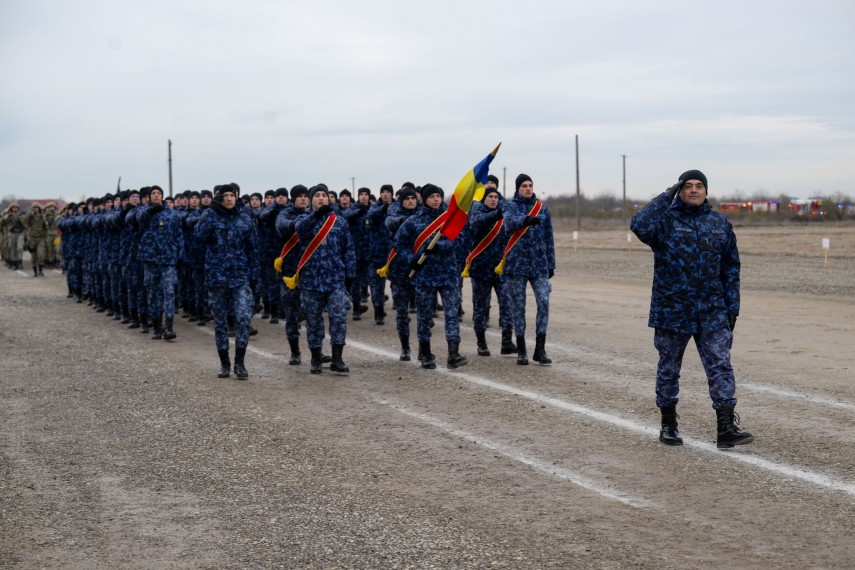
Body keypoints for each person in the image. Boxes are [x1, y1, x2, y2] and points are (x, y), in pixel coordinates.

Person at [631, 169, 754, 449]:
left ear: (706, 191)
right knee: (669, 369)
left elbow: (731, 267)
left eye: (700, 186)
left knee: (720, 366)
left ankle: (726, 428)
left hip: (712, 309)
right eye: (687, 186)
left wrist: (732, 306)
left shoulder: (719, 224)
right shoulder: (664, 223)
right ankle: (669, 425)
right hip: (672, 309)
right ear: (679, 191)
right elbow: (638, 224)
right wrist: (666, 195)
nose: (694, 190)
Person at [394, 183, 467, 370]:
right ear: (424, 199)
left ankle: (453, 353)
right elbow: (399, 244)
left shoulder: (451, 219)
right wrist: (411, 259)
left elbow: (462, 240)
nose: (436, 199)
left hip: (449, 274)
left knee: (452, 314)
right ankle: (425, 352)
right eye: (432, 196)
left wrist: (442, 246)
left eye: (438, 196)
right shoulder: (413, 221)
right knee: (424, 316)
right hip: (425, 276)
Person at [194, 184, 260, 379]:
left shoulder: (246, 218)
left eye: (232, 195)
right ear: (220, 198)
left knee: (243, 317)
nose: (229, 199)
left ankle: (240, 362)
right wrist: (208, 213)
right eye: (226, 195)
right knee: (220, 322)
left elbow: (254, 249)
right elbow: (198, 237)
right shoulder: (210, 216)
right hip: (217, 277)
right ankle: (224, 363)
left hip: (240, 277)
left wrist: (254, 277)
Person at [290, 184, 355, 375]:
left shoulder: (340, 222)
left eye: (324, 195)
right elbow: (301, 230)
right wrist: (317, 215)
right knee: (313, 321)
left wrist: (350, 274)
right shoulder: (303, 219)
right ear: (311, 200)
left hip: (335, 279)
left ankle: (337, 358)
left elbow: (348, 249)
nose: (321, 198)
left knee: (338, 318)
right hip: (311, 280)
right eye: (316, 195)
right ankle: (316, 357)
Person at [499, 174, 555, 365]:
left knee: (544, 302)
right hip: (517, 265)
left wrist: (551, 263)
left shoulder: (542, 208)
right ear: (518, 188)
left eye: (530, 185)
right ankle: (521, 349)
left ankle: (540, 349)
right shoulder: (509, 205)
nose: (528, 188)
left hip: (539, 264)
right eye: (524, 186)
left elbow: (549, 237)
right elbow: (509, 223)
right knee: (519, 307)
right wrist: (526, 219)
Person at [465, 183, 515, 356]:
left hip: (501, 269)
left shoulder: (503, 215)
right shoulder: (477, 213)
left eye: (495, 197)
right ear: (484, 199)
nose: (493, 200)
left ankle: (507, 341)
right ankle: (481, 342)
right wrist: (497, 214)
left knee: (507, 304)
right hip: (481, 269)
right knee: (481, 307)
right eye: (490, 197)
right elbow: (477, 223)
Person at [136, 185, 184, 340]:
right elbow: (139, 219)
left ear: (162, 196)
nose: (156, 195)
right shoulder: (143, 212)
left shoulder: (172, 214)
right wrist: (151, 210)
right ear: (149, 197)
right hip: (150, 259)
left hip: (168, 259)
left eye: (159, 193)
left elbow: (179, 236)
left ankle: (169, 327)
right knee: (152, 293)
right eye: (153, 193)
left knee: (169, 292)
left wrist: (180, 256)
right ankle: (157, 326)